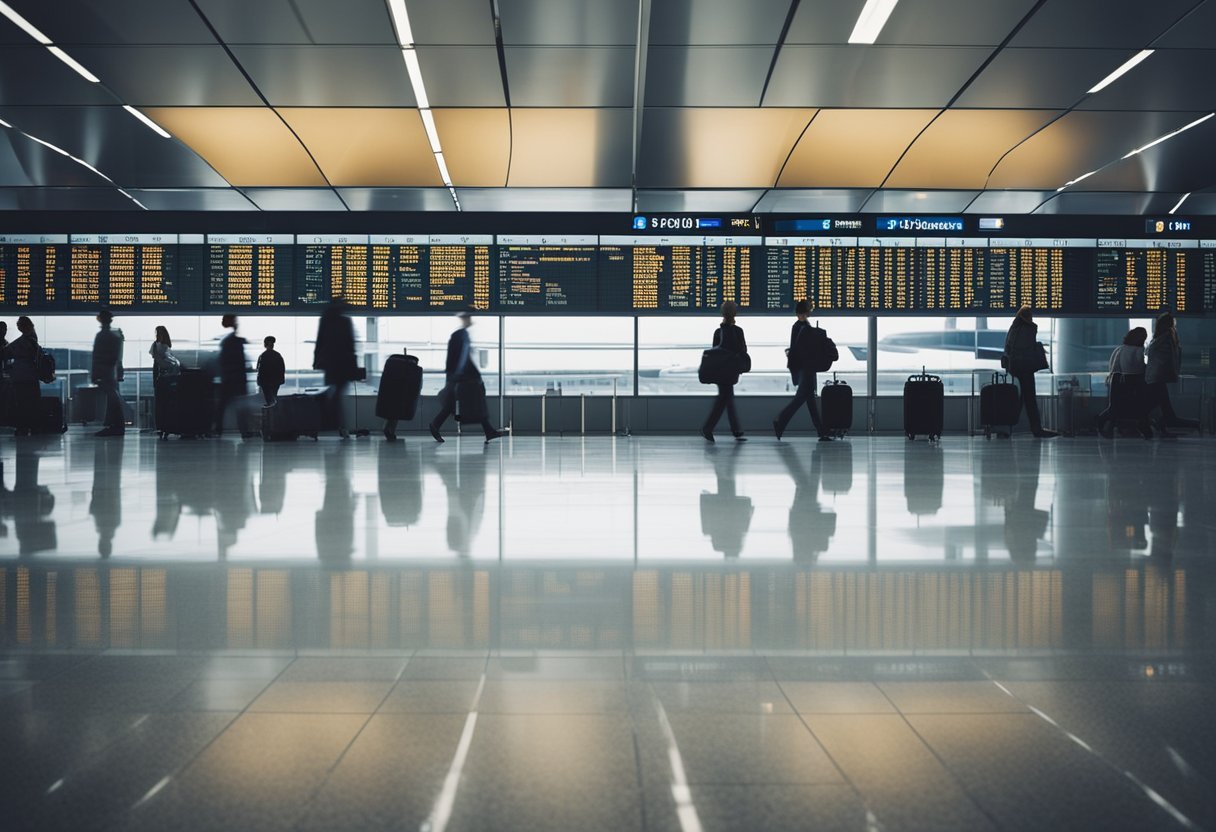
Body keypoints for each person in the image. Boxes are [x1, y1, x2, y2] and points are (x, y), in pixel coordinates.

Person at [428, 311, 505, 444]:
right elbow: (461, 359)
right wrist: (457, 375)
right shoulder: (461, 335)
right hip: (464, 377)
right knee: (474, 403)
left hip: (462, 376)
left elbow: (458, 358)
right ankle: (488, 431)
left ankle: (488, 431)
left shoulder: (460, 335)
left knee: (463, 403)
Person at [773, 299, 829, 442]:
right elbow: (801, 348)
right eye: (810, 308)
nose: (811, 310)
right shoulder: (801, 327)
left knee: (810, 401)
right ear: (805, 311)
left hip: (804, 368)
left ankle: (821, 432)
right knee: (800, 400)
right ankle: (780, 420)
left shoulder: (799, 326)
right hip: (806, 368)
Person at [1002, 306, 1057, 438]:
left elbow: (1009, 348)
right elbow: (1027, 347)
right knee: (1030, 399)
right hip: (1026, 369)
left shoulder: (1013, 328)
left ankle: (1006, 427)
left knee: (1019, 400)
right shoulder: (1028, 328)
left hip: (1015, 369)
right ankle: (1036, 429)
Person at [1145, 312, 1199, 435]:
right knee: (1161, 402)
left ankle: (1143, 419)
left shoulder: (1161, 338)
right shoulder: (1170, 336)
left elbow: (1149, 352)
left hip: (1156, 375)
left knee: (1157, 402)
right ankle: (1164, 422)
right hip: (1161, 375)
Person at [702, 301, 748, 443]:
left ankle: (733, 430)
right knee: (725, 399)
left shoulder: (718, 332)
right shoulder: (738, 331)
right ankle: (711, 429)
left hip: (721, 371)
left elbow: (715, 351)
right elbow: (743, 350)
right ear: (735, 313)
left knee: (726, 399)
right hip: (730, 371)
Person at [1096, 326, 1151, 439]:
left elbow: (1115, 365)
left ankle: (1102, 422)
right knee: (1140, 406)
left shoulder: (1122, 348)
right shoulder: (1139, 349)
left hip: (1120, 379)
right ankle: (1146, 431)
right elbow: (1140, 364)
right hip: (1135, 380)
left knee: (1115, 407)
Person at [313, 298, 358, 439]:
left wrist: (317, 361)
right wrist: (354, 367)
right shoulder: (345, 321)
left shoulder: (325, 320)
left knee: (335, 394)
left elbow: (320, 341)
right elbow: (351, 345)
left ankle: (336, 424)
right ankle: (340, 426)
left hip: (330, 364)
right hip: (343, 365)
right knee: (337, 395)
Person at [2, 317, 42, 437]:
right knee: (33, 403)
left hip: (20, 378)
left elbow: (4, 353)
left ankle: (22, 428)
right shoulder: (34, 341)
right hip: (32, 377)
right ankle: (34, 427)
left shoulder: (20, 343)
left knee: (20, 404)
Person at [91, 310, 126, 438]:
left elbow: (97, 357)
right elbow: (116, 357)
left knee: (112, 399)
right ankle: (115, 425)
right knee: (113, 398)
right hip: (110, 372)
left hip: (104, 372)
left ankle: (115, 426)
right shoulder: (115, 337)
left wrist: (96, 374)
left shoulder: (102, 336)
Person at [215, 314, 248, 438]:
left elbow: (222, 361)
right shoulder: (234, 341)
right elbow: (240, 362)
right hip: (237, 379)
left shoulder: (226, 342)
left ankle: (218, 429)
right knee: (241, 407)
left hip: (228, 378)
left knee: (222, 405)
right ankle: (244, 431)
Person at [148, 325, 180, 432]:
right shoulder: (165, 346)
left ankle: (161, 426)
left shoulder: (157, 346)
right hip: (164, 376)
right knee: (164, 402)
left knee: (161, 402)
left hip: (161, 375)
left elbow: (158, 360)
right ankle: (163, 426)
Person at [256, 335, 286, 406]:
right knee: (274, 397)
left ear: (265, 344)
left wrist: (260, 381)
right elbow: (282, 369)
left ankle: (270, 410)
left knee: (269, 399)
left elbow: (260, 370)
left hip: (266, 382)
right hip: (275, 381)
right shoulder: (278, 355)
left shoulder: (262, 356)